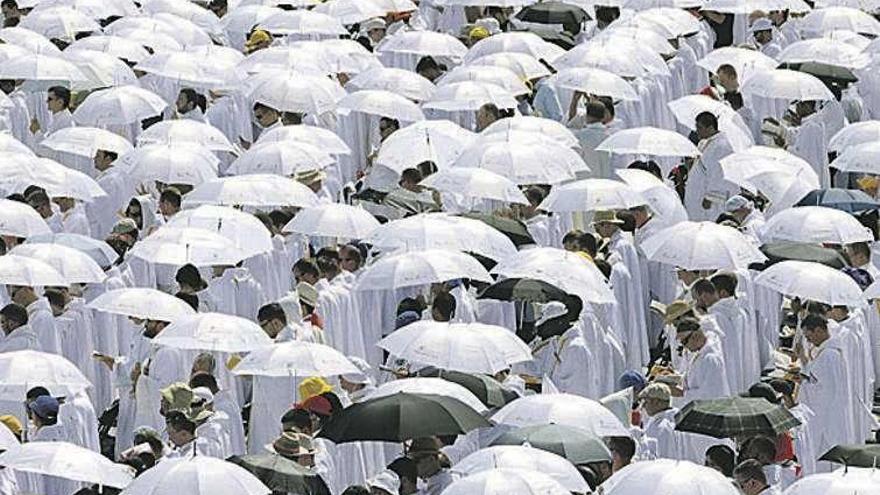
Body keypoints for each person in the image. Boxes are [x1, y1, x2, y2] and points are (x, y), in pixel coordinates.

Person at [684, 112, 737, 221]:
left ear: (710, 127)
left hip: (711, 202)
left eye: (700, 127)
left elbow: (719, 173)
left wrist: (711, 197)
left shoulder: (722, 146)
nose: (697, 131)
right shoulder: (704, 143)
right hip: (697, 197)